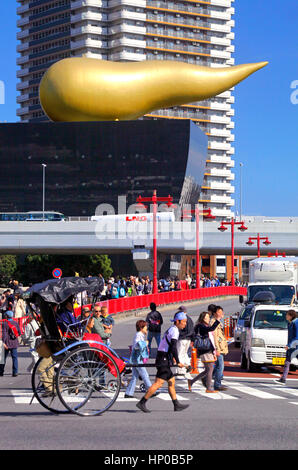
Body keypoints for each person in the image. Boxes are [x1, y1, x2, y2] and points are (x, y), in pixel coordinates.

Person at [136, 311, 190, 413]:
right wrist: (178, 361)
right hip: (163, 358)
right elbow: (173, 347)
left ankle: (176, 404)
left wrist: (172, 357)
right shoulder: (175, 331)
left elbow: (168, 345)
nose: (185, 324)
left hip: (163, 356)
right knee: (158, 383)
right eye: (184, 322)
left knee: (171, 381)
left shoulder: (172, 329)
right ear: (177, 321)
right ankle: (142, 402)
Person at [188, 311, 221, 393]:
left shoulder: (201, 326)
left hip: (207, 349)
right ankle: (209, 388)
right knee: (210, 368)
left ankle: (191, 382)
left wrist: (214, 350)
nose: (208, 319)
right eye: (206, 317)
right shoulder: (201, 326)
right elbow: (211, 329)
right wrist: (217, 320)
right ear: (202, 318)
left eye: (208, 317)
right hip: (205, 350)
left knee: (207, 370)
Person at [125, 320, 157, 398]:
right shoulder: (138, 335)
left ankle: (128, 393)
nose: (147, 329)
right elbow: (136, 346)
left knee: (135, 376)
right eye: (146, 327)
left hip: (135, 358)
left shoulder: (139, 335)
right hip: (137, 359)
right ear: (141, 327)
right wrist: (145, 343)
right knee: (144, 374)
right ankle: (151, 391)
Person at [275, 309, 298, 385]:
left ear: (291, 316)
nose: (286, 316)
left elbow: (297, 336)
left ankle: (283, 379)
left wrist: (289, 345)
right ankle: (283, 379)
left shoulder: (296, 323)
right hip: (291, 346)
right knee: (287, 362)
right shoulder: (290, 323)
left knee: (287, 362)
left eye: (287, 315)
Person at [210, 306, 229, 391]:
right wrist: (216, 348)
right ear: (214, 313)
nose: (221, 314)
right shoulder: (213, 322)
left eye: (222, 312)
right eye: (219, 312)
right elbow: (214, 337)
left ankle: (206, 376)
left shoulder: (218, 322)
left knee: (218, 366)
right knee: (220, 366)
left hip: (220, 347)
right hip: (218, 348)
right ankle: (217, 385)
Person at [175, 306, 194, 381]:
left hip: (182, 338)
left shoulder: (181, 319)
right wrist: (192, 339)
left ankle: (180, 371)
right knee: (185, 354)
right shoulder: (189, 319)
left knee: (180, 354)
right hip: (188, 339)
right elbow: (192, 330)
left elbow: (179, 330)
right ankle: (188, 367)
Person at [0, 310, 21, 377]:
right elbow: (19, 333)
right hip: (14, 343)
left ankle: (1, 372)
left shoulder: (4, 324)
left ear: (6, 316)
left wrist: (3, 342)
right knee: (14, 358)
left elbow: (4, 334)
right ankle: (15, 372)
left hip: (7, 343)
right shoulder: (16, 323)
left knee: (3, 358)